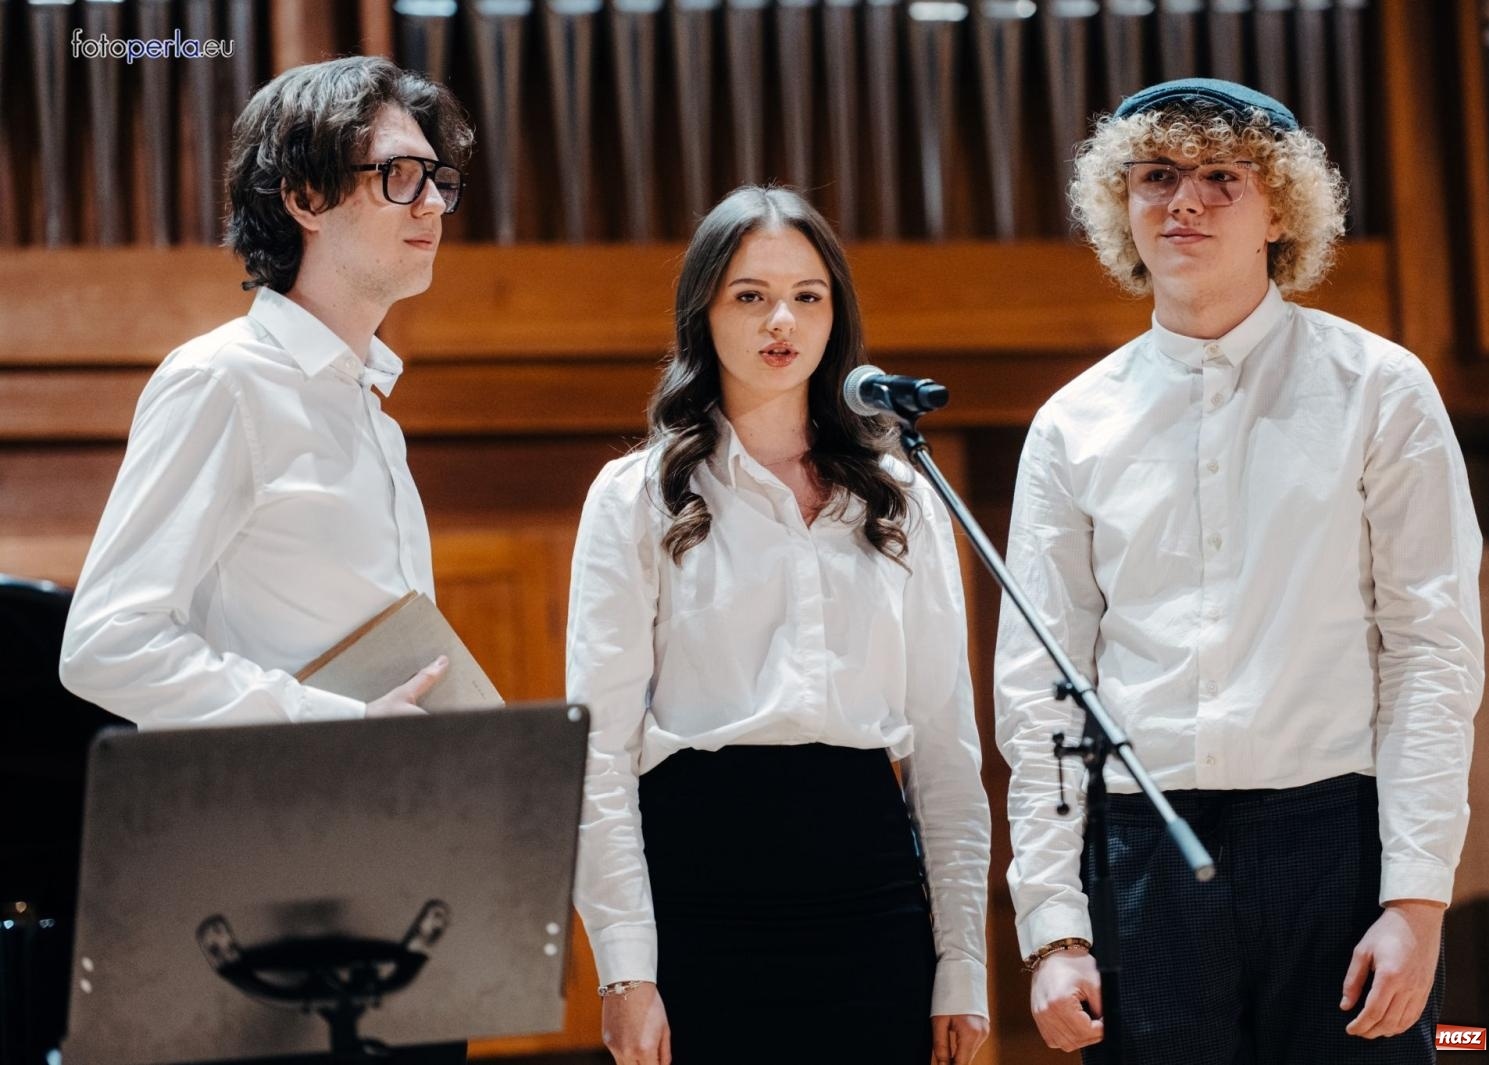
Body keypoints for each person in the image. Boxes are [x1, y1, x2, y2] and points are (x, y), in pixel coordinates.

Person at [995, 78, 1484, 1063]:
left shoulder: (1379, 389)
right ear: (1120, 205)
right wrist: (1052, 924)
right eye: (1156, 175)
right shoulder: (1071, 425)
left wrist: (1416, 898)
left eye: (1222, 176)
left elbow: (1431, 653)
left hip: (1335, 844)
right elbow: (1042, 689)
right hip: (1141, 851)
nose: (1184, 201)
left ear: (1280, 211)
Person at [566, 185, 990, 1065]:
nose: (781, 321)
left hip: (870, 886)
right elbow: (597, 749)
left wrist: (963, 960)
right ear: (705, 312)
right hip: (702, 886)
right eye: (750, 295)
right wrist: (623, 970)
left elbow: (947, 744)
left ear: (837, 314)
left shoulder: (899, 496)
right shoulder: (636, 495)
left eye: (807, 295)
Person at [60, 56, 474, 728]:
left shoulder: (370, 413)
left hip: (376, 785)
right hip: (275, 789)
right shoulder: (222, 380)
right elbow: (106, 644)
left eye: (438, 180)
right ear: (305, 199)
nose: (431, 203)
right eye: (398, 175)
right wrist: (337, 722)